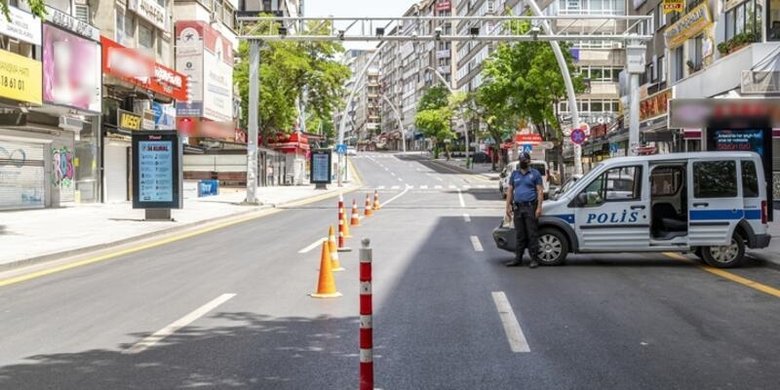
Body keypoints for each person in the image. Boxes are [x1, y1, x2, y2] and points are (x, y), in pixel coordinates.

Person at [504, 152, 544, 268]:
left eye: (525, 160)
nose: (523, 162)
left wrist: (539, 207)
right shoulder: (514, 174)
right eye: (521, 160)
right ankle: (518, 258)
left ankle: (534, 259)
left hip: (531, 207)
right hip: (518, 208)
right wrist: (507, 206)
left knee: (532, 234)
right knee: (520, 235)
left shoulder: (535, 174)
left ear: (529, 161)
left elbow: (540, 191)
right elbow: (510, 191)